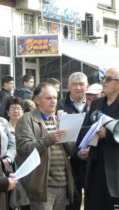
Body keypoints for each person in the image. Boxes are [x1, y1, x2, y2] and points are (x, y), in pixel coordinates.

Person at [77, 67, 119, 210]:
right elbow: (84, 130)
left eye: (109, 79)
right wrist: (82, 149)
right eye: (103, 78)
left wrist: (107, 136)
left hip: (117, 176)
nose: (104, 81)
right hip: (94, 171)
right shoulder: (97, 103)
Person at [15, 82, 74, 210]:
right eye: (48, 98)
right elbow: (24, 149)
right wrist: (49, 139)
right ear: (37, 100)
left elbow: (70, 151)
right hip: (42, 186)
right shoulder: (27, 119)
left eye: (55, 97)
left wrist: (71, 131)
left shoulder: (59, 119)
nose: (53, 101)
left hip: (62, 184)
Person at [57, 72, 88, 210]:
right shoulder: (60, 106)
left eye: (81, 84)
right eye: (75, 84)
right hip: (69, 161)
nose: (78, 87)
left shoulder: (95, 105)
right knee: (73, 200)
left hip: (90, 157)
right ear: (68, 87)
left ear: (86, 86)